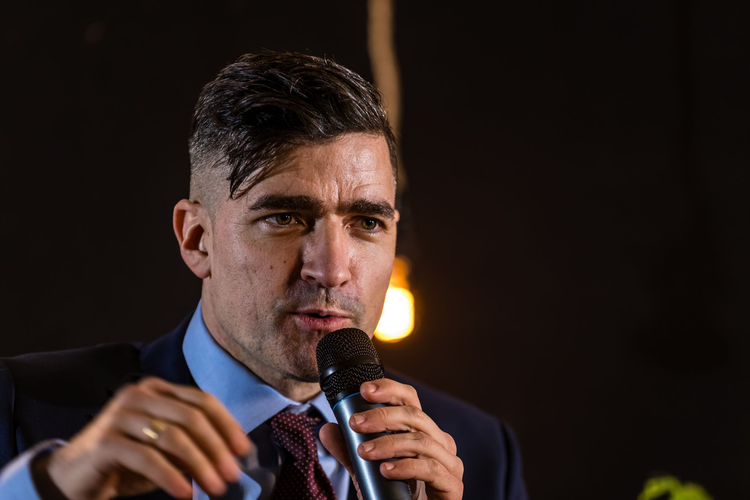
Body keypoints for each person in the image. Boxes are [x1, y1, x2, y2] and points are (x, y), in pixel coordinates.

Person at [0, 51, 527, 500]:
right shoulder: (23, 412)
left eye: (367, 223)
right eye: (285, 218)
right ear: (197, 238)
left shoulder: (478, 453)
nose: (331, 270)